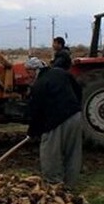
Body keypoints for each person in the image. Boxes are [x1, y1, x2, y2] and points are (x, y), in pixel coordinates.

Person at [25, 57, 83, 185]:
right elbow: (78, 90)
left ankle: (54, 184)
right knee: (73, 153)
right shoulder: (60, 72)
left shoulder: (39, 85)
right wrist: (76, 107)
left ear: (35, 70)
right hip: (75, 116)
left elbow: (36, 112)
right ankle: (70, 184)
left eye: (28, 72)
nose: (28, 75)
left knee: (50, 154)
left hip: (56, 122)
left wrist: (32, 131)